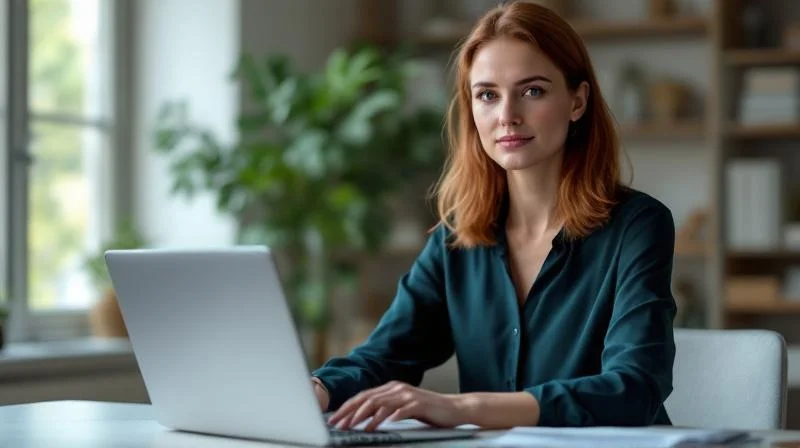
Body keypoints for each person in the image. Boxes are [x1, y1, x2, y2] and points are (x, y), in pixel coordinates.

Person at [311, 0, 677, 431]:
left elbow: (634, 389)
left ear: (577, 101)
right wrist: (315, 389)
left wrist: (464, 408)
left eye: (532, 91)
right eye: (487, 95)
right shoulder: (456, 238)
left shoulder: (638, 226)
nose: (507, 116)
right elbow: (385, 356)